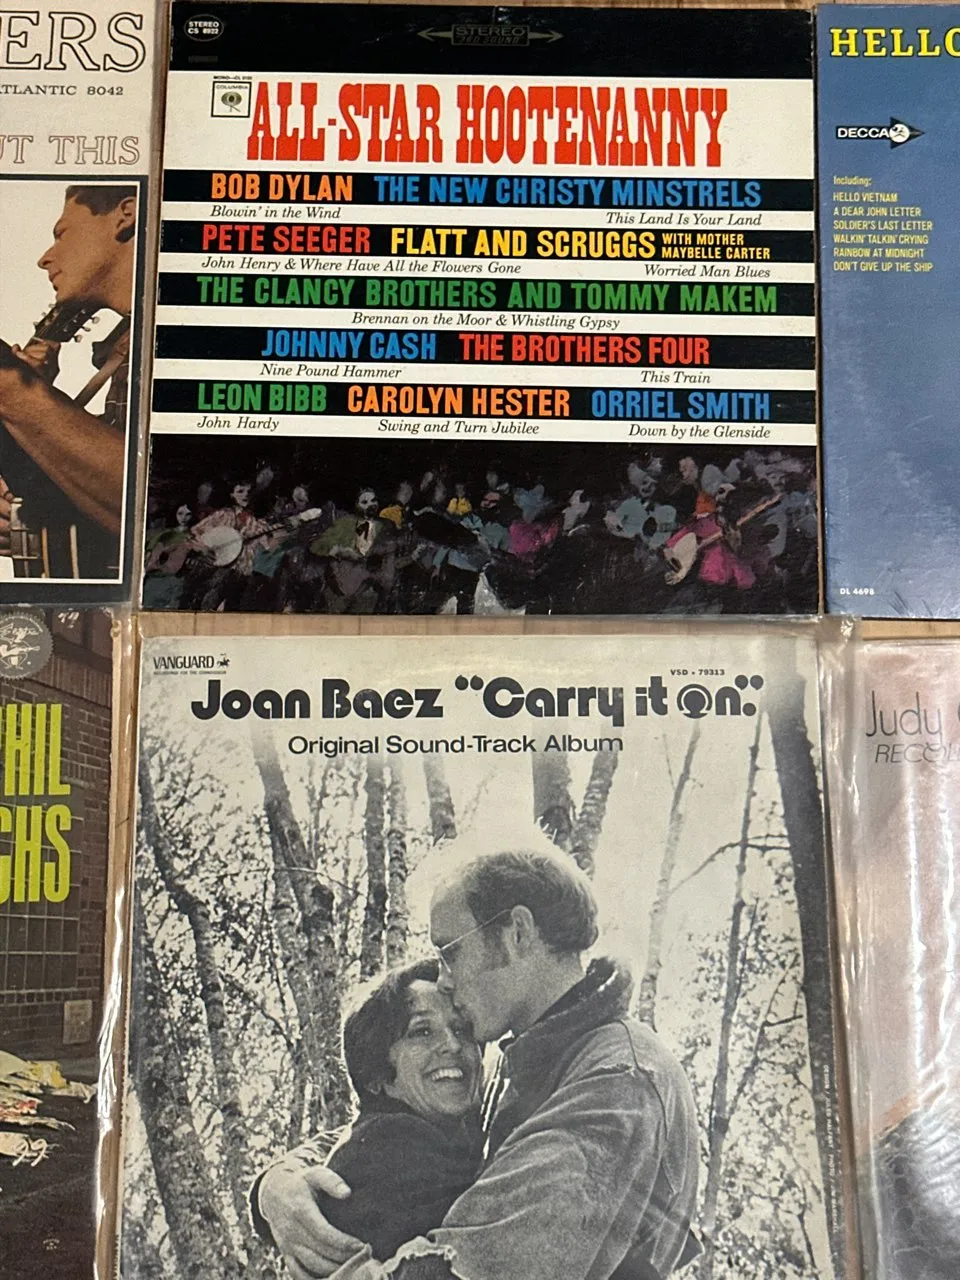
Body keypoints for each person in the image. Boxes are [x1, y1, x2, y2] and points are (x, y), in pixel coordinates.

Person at [254, 848, 701, 1280]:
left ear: (517, 933)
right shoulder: (535, 1063)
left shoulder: (617, 1081)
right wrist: (279, 1185)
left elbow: (466, 1269)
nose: (444, 980)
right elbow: (395, 1127)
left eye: (450, 952)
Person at [297, 957, 483, 1262]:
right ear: (377, 1075)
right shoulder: (391, 1142)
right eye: (422, 1032)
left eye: (461, 1029)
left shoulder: (436, 1131)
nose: (453, 1045)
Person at [0, 185, 136, 578]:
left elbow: (155, 508)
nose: (45, 258)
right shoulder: (125, 352)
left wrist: (17, 392)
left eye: (62, 233)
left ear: (126, 215)